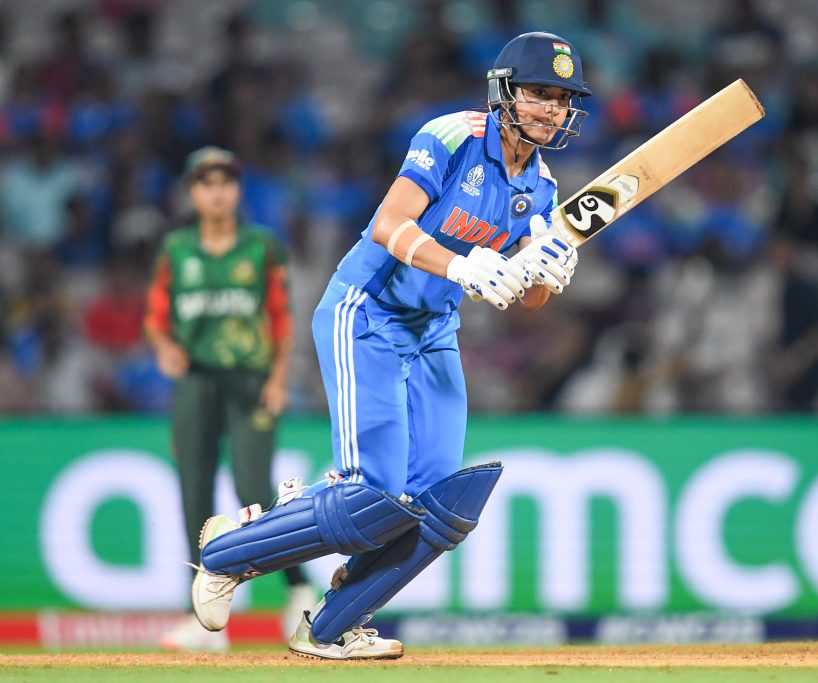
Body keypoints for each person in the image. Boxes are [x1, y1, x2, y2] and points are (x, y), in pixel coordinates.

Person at [184, 32, 588, 660]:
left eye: (562, 100)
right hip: (366, 311)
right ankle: (230, 551)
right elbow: (389, 224)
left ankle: (331, 625)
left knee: (438, 504)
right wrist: (461, 265)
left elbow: (526, 298)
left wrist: (546, 273)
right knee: (372, 494)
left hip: (434, 330)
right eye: (540, 93)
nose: (552, 110)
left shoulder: (540, 188)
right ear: (505, 91)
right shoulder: (451, 136)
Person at [144, 147, 315, 651]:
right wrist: (164, 347)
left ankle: (299, 589)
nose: (217, 193)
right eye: (206, 184)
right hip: (196, 382)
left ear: (237, 190)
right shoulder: (176, 249)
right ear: (192, 193)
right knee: (194, 495)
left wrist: (279, 380)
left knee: (253, 489)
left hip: (250, 380)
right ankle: (201, 621)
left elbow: (281, 319)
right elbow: (155, 316)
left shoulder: (261, 246)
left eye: (226, 183)